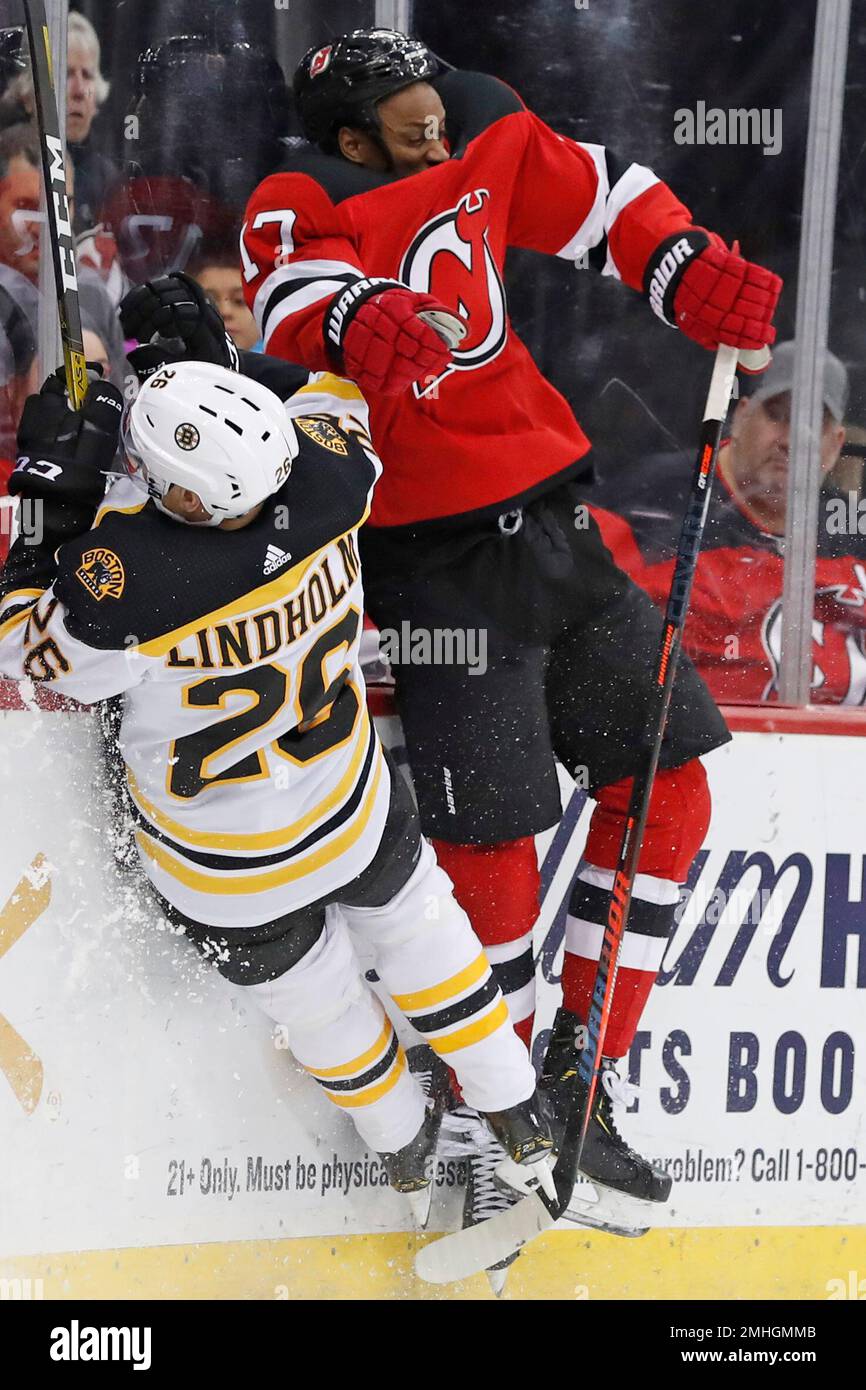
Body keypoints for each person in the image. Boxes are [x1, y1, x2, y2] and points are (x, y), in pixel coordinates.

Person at [126, 28, 781, 1262]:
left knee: (672, 785)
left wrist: (680, 263)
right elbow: (288, 288)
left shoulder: (484, 123)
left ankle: (581, 1083)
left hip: (555, 520)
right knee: (488, 837)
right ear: (354, 132)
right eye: (406, 115)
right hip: (434, 560)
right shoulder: (301, 194)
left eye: (435, 100)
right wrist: (357, 312)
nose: (436, 126)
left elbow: (601, 198)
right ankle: (494, 1120)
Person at [0, 356, 554, 1226]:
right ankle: (521, 1117)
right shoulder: (334, 479)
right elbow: (334, 395)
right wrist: (228, 359)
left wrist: (51, 493)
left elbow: (25, 654)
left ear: (186, 499)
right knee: (425, 936)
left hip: (228, 871)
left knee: (321, 1004)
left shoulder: (129, 579)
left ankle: (405, 1150)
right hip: (350, 811)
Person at [588, 343, 865, 704]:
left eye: (814, 425)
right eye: (778, 415)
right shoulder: (646, 505)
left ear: (835, 445)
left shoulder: (852, 530)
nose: (791, 440)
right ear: (742, 415)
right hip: (684, 746)